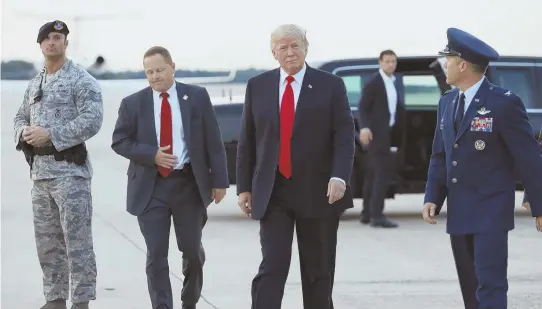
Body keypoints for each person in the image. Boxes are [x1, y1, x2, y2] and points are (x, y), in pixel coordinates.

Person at [236, 24, 355, 309]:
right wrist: (243, 188)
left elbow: (344, 136)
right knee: (272, 266)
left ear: (305, 47)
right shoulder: (258, 86)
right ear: (273, 52)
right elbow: (248, 140)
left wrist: (340, 176)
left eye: (295, 45)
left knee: (318, 272)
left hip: (319, 193)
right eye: (283, 47)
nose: (290, 52)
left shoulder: (330, 85)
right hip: (273, 191)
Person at [422, 27, 542, 309]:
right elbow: (440, 155)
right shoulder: (447, 102)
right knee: (470, 290)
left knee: (490, 287)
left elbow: (529, 157)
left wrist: (539, 206)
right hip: (459, 212)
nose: (445, 66)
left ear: (462, 64)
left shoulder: (503, 102)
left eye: (448, 60)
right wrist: (432, 196)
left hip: (491, 212)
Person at [111, 46, 229, 309]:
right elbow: (119, 141)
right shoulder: (133, 103)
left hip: (188, 185)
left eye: (159, 70)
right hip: (150, 188)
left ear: (172, 67)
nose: (154, 76)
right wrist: (151, 154)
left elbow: (213, 139)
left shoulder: (196, 96)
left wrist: (219, 180)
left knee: (192, 252)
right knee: (156, 254)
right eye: (149, 72)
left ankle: (189, 301)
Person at [13, 20, 103, 309]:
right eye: (47, 38)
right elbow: (19, 117)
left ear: (65, 43)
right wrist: (23, 133)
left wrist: (50, 135)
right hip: (40, 177)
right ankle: (54, 299)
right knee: (48, 244)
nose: (52, 42)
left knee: (77, 244)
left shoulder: (81, 80)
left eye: (58, 37)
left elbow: (92, 120)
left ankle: (81, 301)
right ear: (40, 45)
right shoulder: (34, 83)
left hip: (70, 175)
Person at [358, 49, 405, 228]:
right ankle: (377, 216)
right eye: (387, 61)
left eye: (393, 61)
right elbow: (363, 107)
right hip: (376, 136)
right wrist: (364, 127)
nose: (391, 64)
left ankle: (367, 214)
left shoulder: (392, 82)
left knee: (372, 176)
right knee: (382, 175)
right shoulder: (374, 82)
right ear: (380, 62)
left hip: (387, 133)